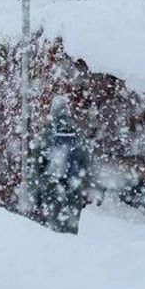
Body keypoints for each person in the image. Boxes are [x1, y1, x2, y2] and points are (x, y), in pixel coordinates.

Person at [29, 95, 92, 234]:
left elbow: (36, 165)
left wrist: (36, 195)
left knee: (53, 228)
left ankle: (57, 251)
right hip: (73, 185)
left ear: (53, 112)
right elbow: (86, 161)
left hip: (51, 186)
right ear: (67, 111)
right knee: (72, 225)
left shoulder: (45, 134)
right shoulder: (78, 134)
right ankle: (72, 250)